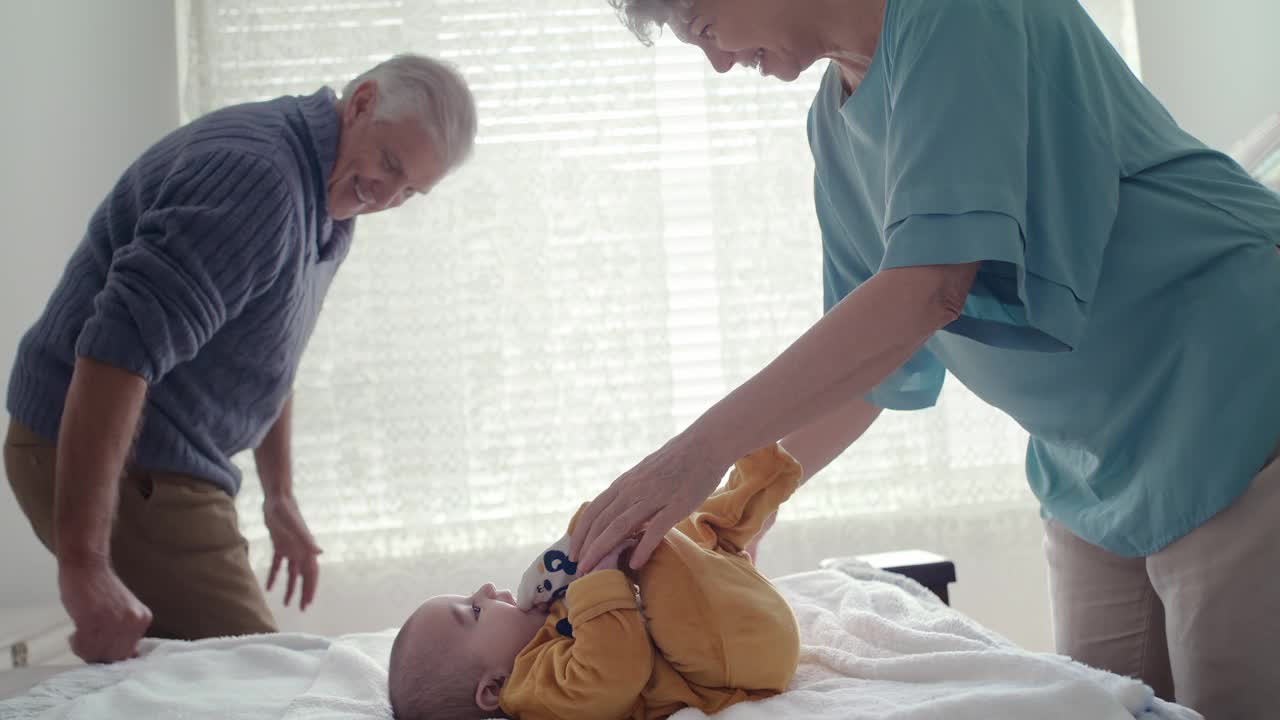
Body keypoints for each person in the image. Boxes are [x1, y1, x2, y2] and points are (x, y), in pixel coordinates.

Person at [569, 2, 1280, 718]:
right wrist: (743, 502)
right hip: (1094, 463)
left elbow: (928, 290)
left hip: (1228, 392)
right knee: (1090, 704)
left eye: (703, 27)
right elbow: (873, 364)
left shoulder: (956, 14)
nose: (717, 62)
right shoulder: (835, 124)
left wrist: (698, 452)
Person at [3, 53, 478, 664]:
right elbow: (114, 354)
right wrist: (84, 565)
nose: (386, 196)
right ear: (360, 103)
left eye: (411, 190)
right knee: (270, 675)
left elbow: (271, 352)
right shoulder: (260, 184)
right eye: (390, 164)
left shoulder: (330, 199)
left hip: (168, 462)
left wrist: (279, 495)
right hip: (118, 458)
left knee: (238, 674)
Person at [388, 444, 802, 720]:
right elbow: (616, 670)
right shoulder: (534, 690)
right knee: (643, 545)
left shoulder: (546, 623)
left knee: (640, 532)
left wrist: (582, 562)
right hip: (734, 659)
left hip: (724, 623)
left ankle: (747, 498)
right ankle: (729, 519)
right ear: (492, 689)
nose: (484, 590)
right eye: (473, 611)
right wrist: (599, 572)